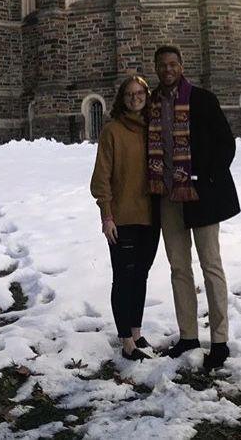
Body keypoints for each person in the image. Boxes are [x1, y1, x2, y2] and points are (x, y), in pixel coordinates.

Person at [148, 45, 240, 371]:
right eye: (162, 65)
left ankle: (219, 339)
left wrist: (205, 177)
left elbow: (226, 144)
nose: (168, 69)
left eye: (173, 64)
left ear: (181, 66)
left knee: (211, 266)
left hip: (201, 195)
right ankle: (188, 335)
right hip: (169, 197)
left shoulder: (202, 99)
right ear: (157, 69)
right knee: (178, 268)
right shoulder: (153, 103)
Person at [90, 75, 160, 361]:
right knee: (124, 277)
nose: (135, 98)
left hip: (151, 216)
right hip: (122, 217)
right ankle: (125, 341)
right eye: (129, 94)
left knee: (140, 275)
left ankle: (136, 330)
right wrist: (107, 215)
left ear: (146, 95)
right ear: (122, 98)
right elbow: (101, 177)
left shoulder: (153, 129)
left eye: (139, 93)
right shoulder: (112, 130)